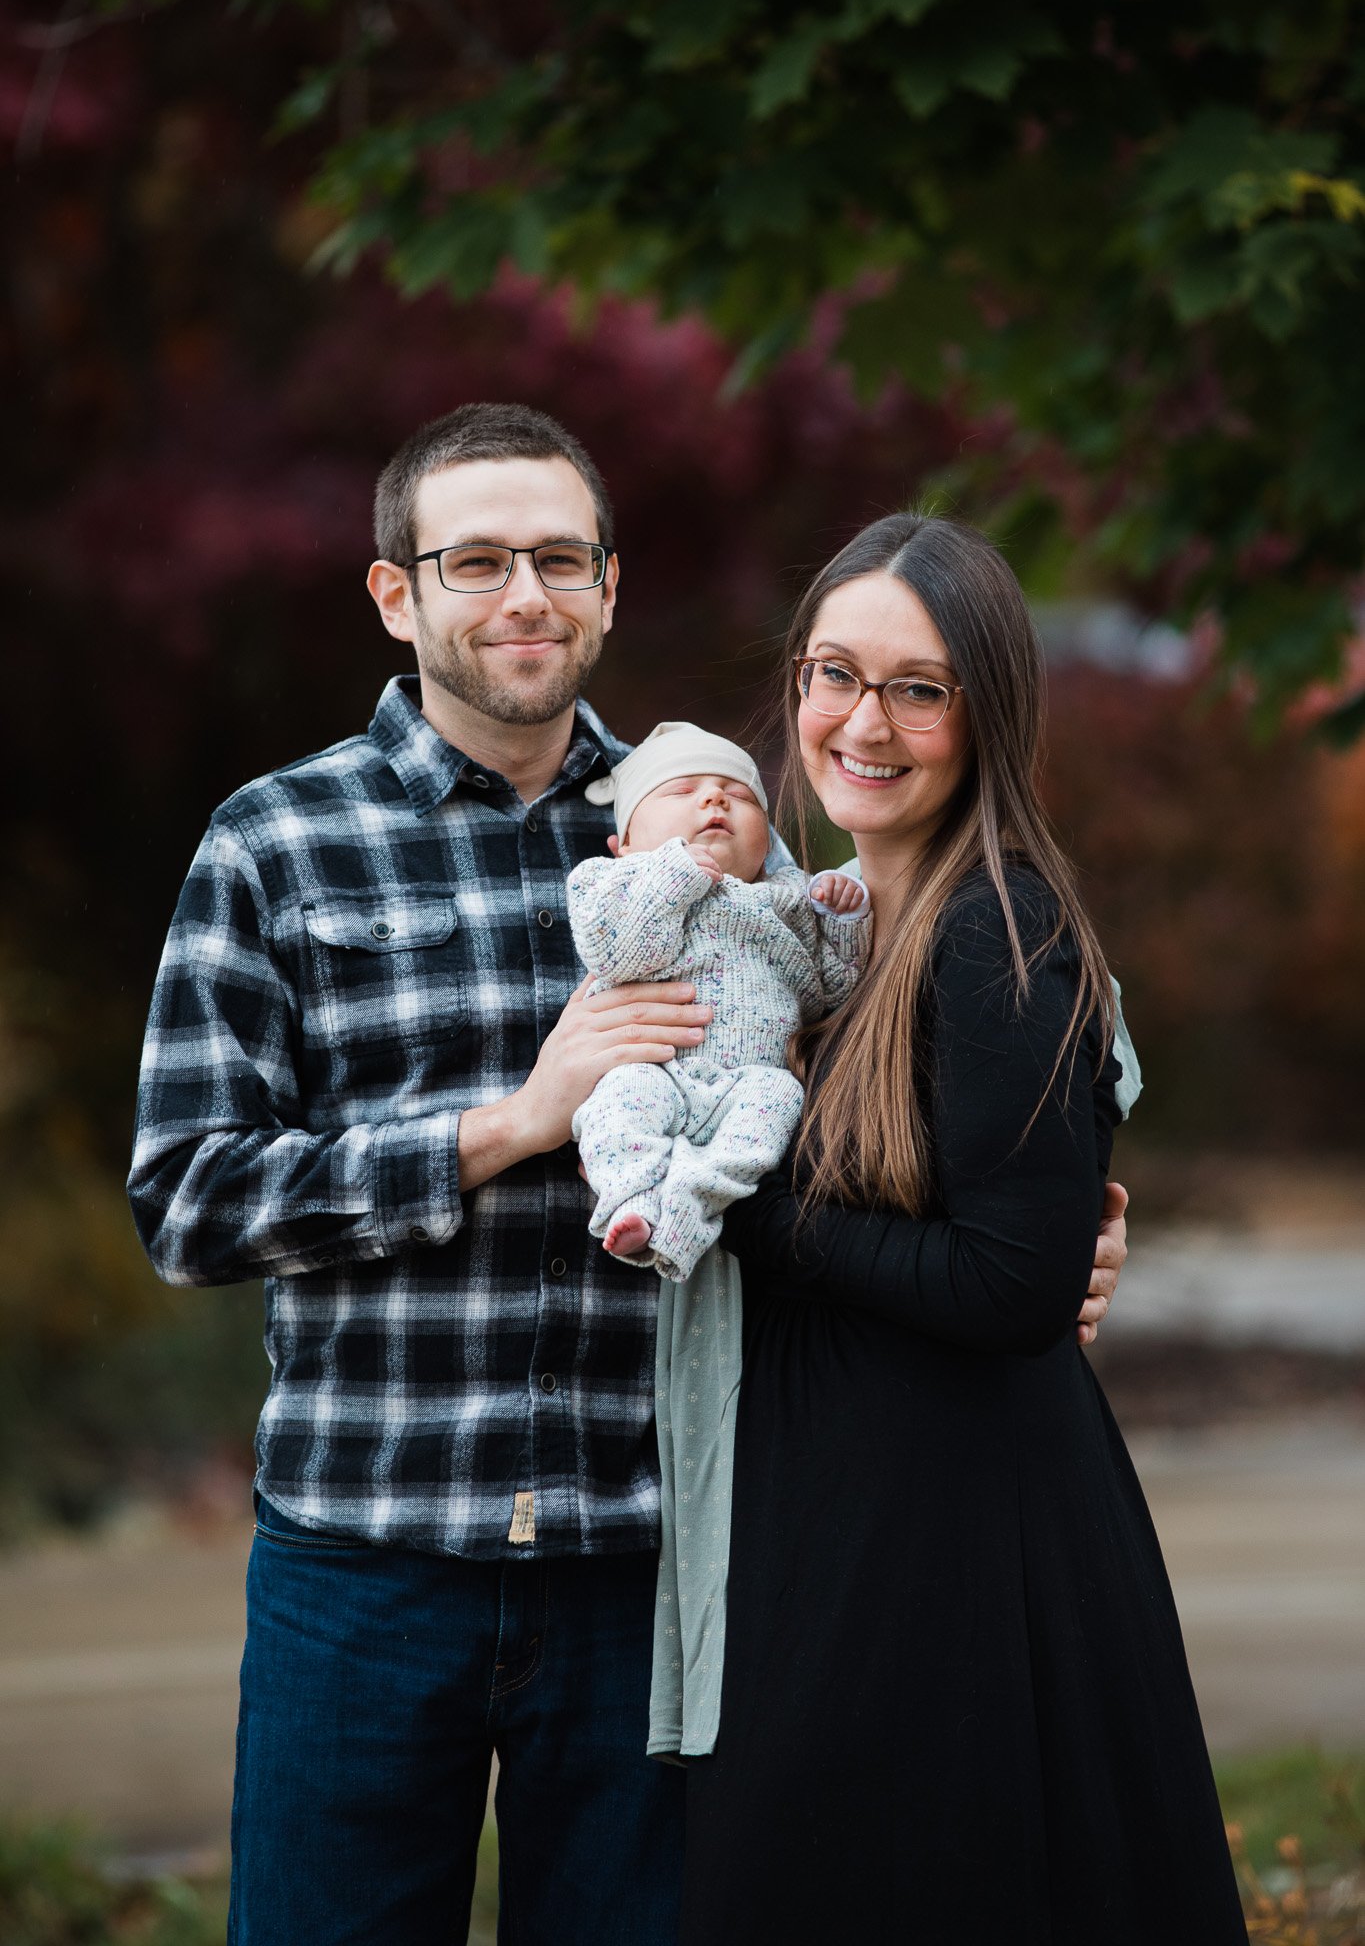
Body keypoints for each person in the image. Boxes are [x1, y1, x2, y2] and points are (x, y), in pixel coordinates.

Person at [127, 405, 1130, 1946]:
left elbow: (945, 1051)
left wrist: (1066, 1227)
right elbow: (189, 1198)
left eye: (556, 559)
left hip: (650, 1570)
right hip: (369, 1557)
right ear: (399, 594)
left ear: (609, 586)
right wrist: (511, 1125)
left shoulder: (720, 827)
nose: (521, 596)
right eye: (474, 560)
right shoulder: (279, 843)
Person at [678, 514, 1247, 1945]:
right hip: (866, 1516)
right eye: (833, 675)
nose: (863, 723)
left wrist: (748, 1214)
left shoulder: (995, 930)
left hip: (952, 1556)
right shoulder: (844, 924)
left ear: (986, 711)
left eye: (918, 688)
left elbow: (1014, 1281)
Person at [568, 719, 870, 1280]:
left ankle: (688, 1206)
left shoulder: (789, 898)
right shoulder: (610, 883)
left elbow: (834, 993)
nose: (713, 798)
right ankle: (631, 1201)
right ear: (624, 844)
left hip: (749, 1082)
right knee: (618, 1105)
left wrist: (845, 921)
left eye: (738, 796)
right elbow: (622, 955)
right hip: (655, 1070)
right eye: (682, 791)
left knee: (781, 1100)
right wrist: (673, 875)